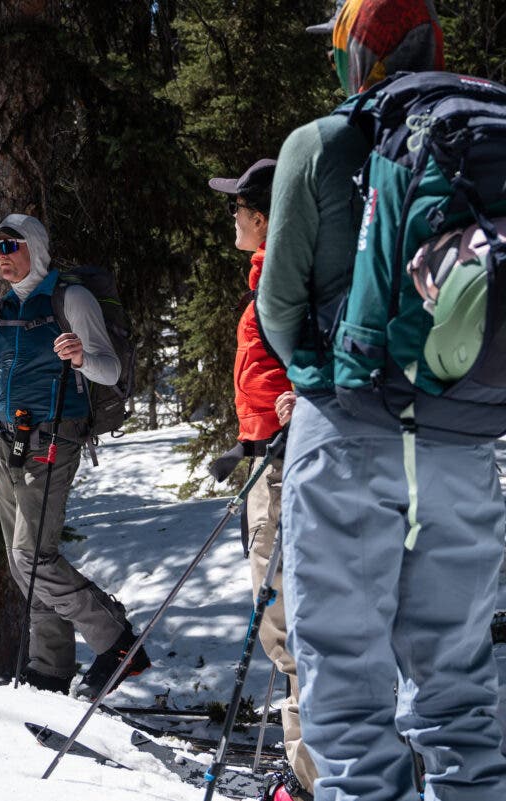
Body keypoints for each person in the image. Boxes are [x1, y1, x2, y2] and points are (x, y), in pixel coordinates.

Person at [258, 1, 506, 799]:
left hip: (349, 436)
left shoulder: (321, 143)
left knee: (347, 687)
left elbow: (279, 310)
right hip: (466, 436)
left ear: (356, 55)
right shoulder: (488, 134)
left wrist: (320, 377)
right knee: (461, 686)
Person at [0, 213, 149, 699]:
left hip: (54, 436)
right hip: (7, 440)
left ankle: (117, 640)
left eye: (10, 245)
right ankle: (49, 672)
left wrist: (80, 358)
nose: (2, 256)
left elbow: (109, 370)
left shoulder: (70, 299)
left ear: (34, 246)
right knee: (23, 565)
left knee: (30, 556)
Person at [208, 159, 315, 801]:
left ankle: (309, 779)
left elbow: (317, 354)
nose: (231, 218)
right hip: (273, 455)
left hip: (288, 462)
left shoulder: (287, 277)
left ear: (264, 217)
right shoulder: (276, 272)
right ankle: (309, 769)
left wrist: (301, 404)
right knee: (285, 620)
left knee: (287, 623)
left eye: (237, 207)